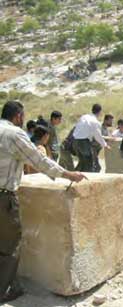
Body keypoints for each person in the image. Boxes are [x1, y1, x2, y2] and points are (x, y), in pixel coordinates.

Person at [0, 101, 86, 304]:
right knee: (10, 244)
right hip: (3, 197)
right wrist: (67, 174)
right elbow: (38, 160)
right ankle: (4, 290)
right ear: (19, 116)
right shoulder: (14, 134)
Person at [72, 104, 110, 172]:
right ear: (100, 112)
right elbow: (97, 135)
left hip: (75, 141)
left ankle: (74, 178)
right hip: (83, 142)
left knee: (82, 163)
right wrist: (105, 145)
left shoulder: (84, 117)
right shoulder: (95, 122)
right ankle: (86, 181)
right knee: (89, 164)